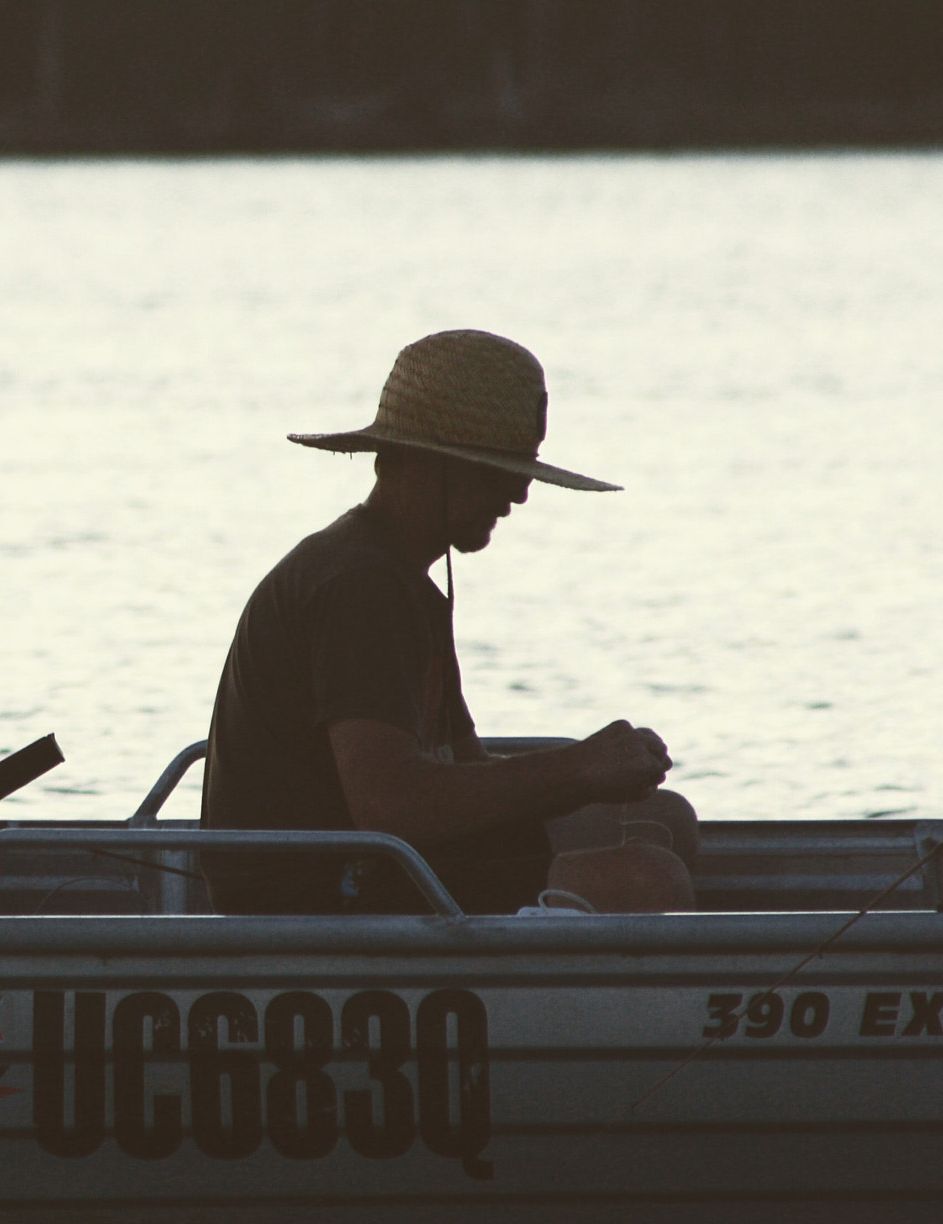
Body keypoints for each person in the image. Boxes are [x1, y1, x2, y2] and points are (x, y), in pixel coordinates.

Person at [202, 329, 696, 915]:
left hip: (384, 860)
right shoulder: (361, 585)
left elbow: (459, 769)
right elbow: (390, 807)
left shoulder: (399, 578)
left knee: (667, 820)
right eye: (495, 471)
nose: (519, 493)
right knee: (644, 880)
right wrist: (577, 769)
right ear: (425, 464)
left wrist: (588, 773)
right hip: (318, 892)